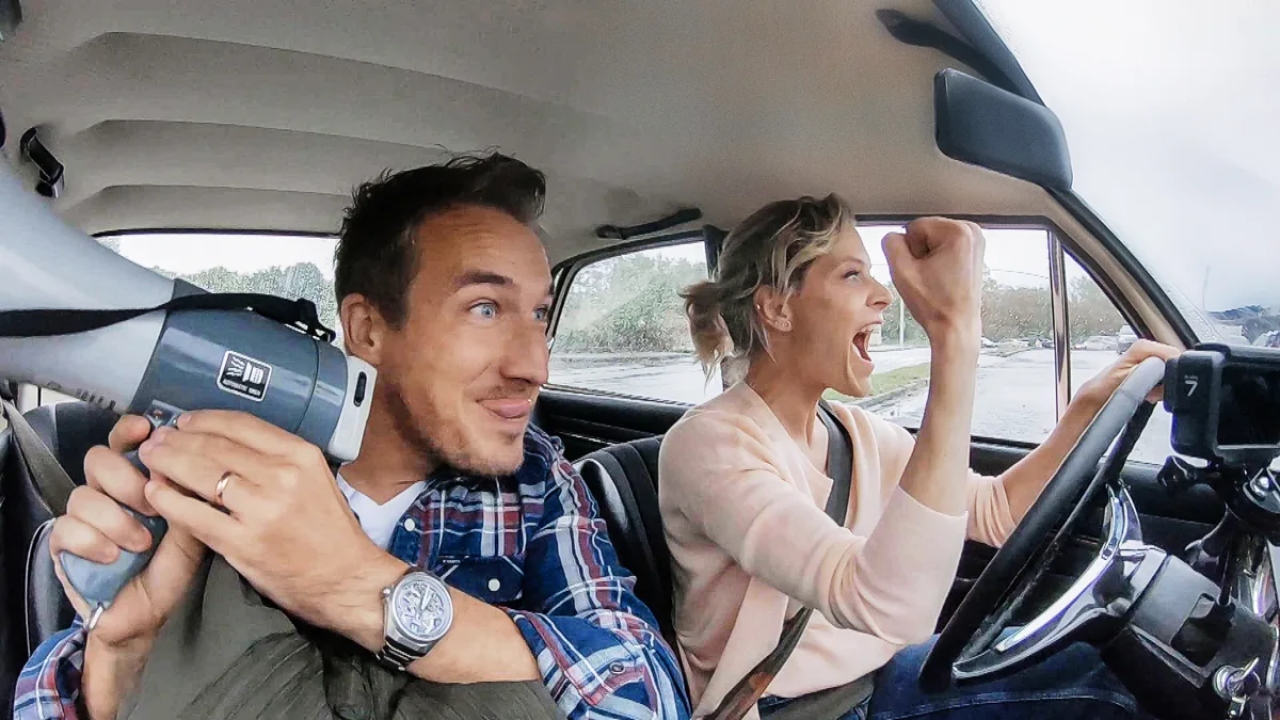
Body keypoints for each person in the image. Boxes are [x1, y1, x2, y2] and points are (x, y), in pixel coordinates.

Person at [14, 154, 691, 720]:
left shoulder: (537, 480)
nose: (535, 366)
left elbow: (649, 691)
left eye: (539, 313)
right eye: (485, 308)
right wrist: (122, 655)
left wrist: (358, 585)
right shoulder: (216, 463)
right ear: (368, 330)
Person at [658, 194, 1177, 719]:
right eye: (852, 275)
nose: (883, 295)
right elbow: (884, 605)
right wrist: (955, 338)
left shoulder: (856, 432)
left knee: (1112, 658)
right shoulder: (710, 444)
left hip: (885, 678)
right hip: (803, 709)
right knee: (1109, 684)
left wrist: (1087, 407)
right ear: (777, 308)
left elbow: (998, 511)